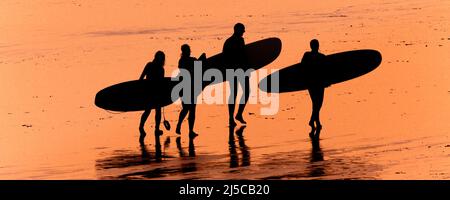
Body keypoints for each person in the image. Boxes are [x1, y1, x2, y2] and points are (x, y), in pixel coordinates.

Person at [300, 39, 328, 139]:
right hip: (319, 83)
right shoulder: (322, 57)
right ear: (317, 46)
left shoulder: (307, 55)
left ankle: (316, 121)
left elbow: (302, 67)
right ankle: (313, 120)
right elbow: (326, 70)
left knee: (315, 103)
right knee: (318, 103)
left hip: (310, 82)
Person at [223, 23, 249, 127]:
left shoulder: (233, 41)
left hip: (238, 70)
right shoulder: (232, 41)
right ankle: (232, 117)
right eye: (242, 29)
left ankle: (237, 115)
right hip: (235, 70)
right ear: (237, 30)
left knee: (244, 91)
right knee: (235, 93)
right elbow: (226, 57)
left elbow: (243, 55)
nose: (244, 31)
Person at [176, 44, 203, 138]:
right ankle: (188, 129)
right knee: (190, 109)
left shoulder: (181, 61)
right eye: (188, 50)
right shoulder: (190, 60)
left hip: (184, 87)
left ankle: (181, 126)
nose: (189, 51)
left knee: (187, 109)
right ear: (186, 51)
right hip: (189, 87)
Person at [138, 51, 165, 144]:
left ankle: (146, 127)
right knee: (153, 110)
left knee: (150, 110)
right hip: (152, 92)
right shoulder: (159, 68)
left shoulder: (150, 65)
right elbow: (161, 83)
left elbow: (141, 79)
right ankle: (152, 129)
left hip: (149, 92)